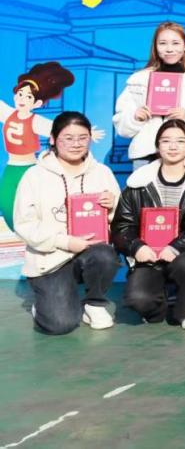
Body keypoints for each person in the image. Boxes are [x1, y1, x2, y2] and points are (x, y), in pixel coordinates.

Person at [13, 112, 120, 334]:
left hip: (90, 253)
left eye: (82, 138)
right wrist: (65, 241)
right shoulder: (34, 175)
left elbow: (119, 219)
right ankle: (45, 305)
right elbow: (24, 224)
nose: (76, 144)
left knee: (104, 255)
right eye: (68, 138)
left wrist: (112, 206)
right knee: (59, 325)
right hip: (50, 258)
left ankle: (94, 303)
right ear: (53, 139)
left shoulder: (102, 173)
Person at [111, 119, 185, 328]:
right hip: (150, 256)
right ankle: (160, 306)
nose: (173, 146)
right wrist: (137, 246)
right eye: (166, 141)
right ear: (157, 146)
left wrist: (177, 246)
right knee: (138, 299)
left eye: (180, 141)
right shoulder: (138, 181)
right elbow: (121, 226)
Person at [113, 22, 185, 168]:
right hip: (146, 155)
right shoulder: (139, 80)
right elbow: (121, 125)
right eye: (163, 43)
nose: (169, 49)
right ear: (155, 47)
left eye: (175, 43)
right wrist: (136, 117)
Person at [1, 61, 76, 228]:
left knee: (32, 204)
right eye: (20, 94)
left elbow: (61, 129)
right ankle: (20, 233)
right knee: (6, 203)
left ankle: (34, 235)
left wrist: (87, 131)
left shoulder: (36, 121)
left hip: (29, 168)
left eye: (28, 97)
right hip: (11, 167)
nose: (22, 99)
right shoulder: (7, 114)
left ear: (37, 104)